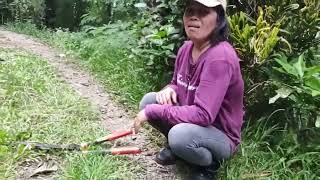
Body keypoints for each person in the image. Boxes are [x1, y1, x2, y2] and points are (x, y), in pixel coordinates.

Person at [132, 0, 244, 179]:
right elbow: (177, 82)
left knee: (175, 132)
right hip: (192, 123)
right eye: (190, 10)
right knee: (149, 100)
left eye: (203, 12)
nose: (194, 16)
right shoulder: (186, 48)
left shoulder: (220, 57)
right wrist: (170, 88)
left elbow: (203, 115)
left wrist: (153, 111)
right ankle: (180, 150)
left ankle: (208, 165)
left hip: (219, 134)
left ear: (219, 19)